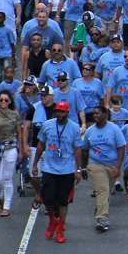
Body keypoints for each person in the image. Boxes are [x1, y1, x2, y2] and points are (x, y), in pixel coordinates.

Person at [32, 100, 83, 243]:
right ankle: (52, 220)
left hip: (66, 169)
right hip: (49, 167)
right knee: (47, 198)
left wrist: (78, 169)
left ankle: (60, 227)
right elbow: (41, 144)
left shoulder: (74, 128)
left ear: (67, 113)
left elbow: (77, 149)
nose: (60, 114)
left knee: (63, 202)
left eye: (62, 112)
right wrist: (35, 163)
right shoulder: (47, 125)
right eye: (58, 111)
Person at [81, 104, 125, 232]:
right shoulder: (90, 131)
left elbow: (121, 148)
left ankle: (100, 208)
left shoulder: (114, 129)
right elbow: (84, 150)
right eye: (94, 113)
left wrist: (118, 166)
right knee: (102, 190)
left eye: (98, 113)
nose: (95, 116)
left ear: (105, 115)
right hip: (95, 164)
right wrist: (83, 168)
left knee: (106, 192)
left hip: (111, 164)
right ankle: (102, 219)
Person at [0, 89, 26, 217]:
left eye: (6, 100)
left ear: (10, 102)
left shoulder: (15, 115)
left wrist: (21, 150)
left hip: (10, 147)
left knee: (7, 178)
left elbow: (19, 133)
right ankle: (0, 197)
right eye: (1, 100)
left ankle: (6, 206)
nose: (3, 102)